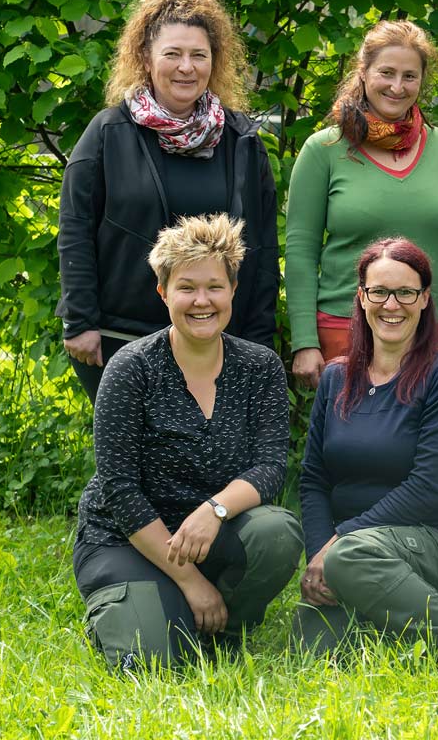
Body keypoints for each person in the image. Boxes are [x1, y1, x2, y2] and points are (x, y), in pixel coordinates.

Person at [72, 214, 302, 669]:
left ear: (233, 290)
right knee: (151, 662)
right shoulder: (131, 368)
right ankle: (140, 609)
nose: (202, 301)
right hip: (129, 539)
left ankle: (227, 627)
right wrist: (190, 582)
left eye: (215, 286)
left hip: (211, 534)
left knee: (276, 532)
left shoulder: (260, 367)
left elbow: (272, 465)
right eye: (186, 287)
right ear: (163, 292)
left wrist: (213, 510)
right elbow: (120, 488)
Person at [57, 0, 278, 404]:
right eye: (172, 54)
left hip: (217, 342)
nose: (186, 67)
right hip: (120, 340)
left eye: (199, 55)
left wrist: (258, 337)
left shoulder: (241, 141)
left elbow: (263, 245)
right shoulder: (108, 133)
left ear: (215, 60)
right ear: (145, 57)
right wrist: (80, 321)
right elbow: (75, 228)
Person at [294, 237, 438, 668]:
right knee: (315, 648)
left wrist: (339, 542)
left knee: (351, 558)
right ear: (361, 297)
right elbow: (314, 479)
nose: (392, 305)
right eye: (379, 292)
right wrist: (318, 554)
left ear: (425, 299)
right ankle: (384, 614)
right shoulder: (336, 378)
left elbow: (426, 488)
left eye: (406, 292)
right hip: (351, 552)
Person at [285, 20, 438, 389]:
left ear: (422, 81)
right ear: (363, 72)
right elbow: (300, 249)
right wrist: (304, 341)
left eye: (410, 76)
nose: (397, 86)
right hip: (346, 329)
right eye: (386, 73)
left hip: (432, 330)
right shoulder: (324, 149)